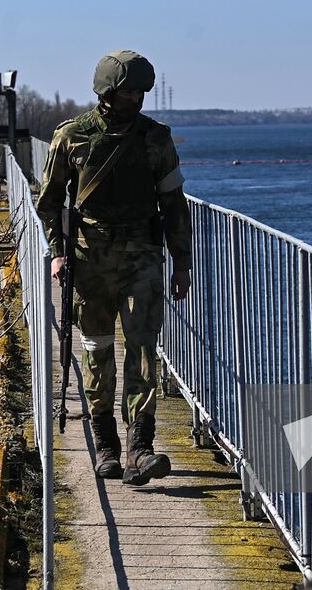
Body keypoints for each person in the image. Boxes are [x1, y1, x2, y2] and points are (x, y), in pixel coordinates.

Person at [37, 50, 192, 485]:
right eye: (128, 90)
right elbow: (49, 204)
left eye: (141, 91)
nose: (136, 98)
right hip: (90, 264)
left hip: (143, 259)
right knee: (97, 351)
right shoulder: (73, 137)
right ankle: (106, 445)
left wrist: (182, 263)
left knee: (143, 353)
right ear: (107, 91)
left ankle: (141, 449)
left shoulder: (157, 139)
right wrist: (57, 252)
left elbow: (174, 205)